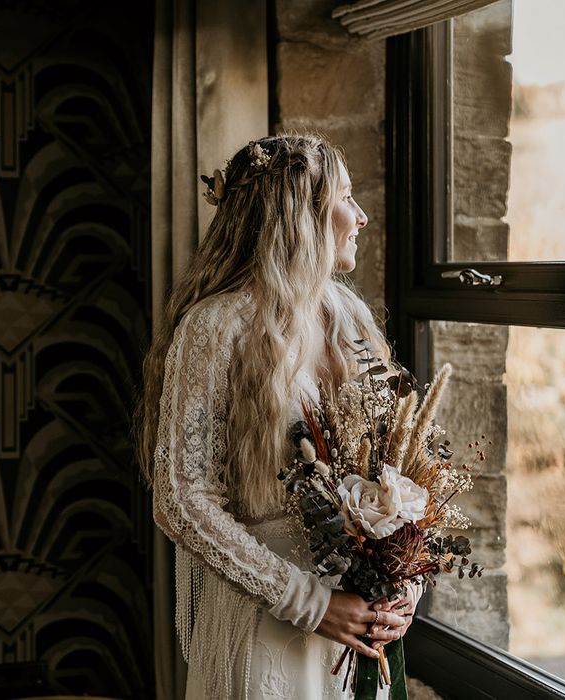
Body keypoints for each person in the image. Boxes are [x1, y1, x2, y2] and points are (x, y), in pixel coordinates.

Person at [136, 134, 419, 699]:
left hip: (358, 628)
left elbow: (401, 467)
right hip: (267, 623)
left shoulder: (352, 322)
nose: (361, 217)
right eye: (346, 196)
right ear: (301, 212)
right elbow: (182, 499)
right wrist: (309, 603)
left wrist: (403, 586)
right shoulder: (216, 327)